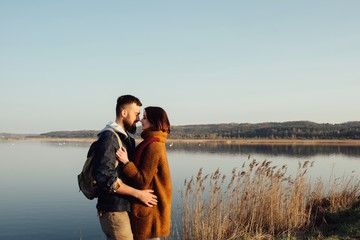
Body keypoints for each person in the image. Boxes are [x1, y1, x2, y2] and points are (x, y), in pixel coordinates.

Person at [93, 95, 158, 240]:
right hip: (113, 209)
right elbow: (105, 179)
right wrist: (139, 194)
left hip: (123, 208)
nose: (138, 119)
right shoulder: (109, 138)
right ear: (123, 113)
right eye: (136, 114)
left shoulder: (127, 139)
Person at [116, 106, 172, 240]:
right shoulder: (151, 143)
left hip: (150, 214)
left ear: (154, 121)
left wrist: (126, 163)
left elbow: (142, 180)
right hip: (148, 211)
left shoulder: (154, 146)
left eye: (145, 117)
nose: (141, 120)